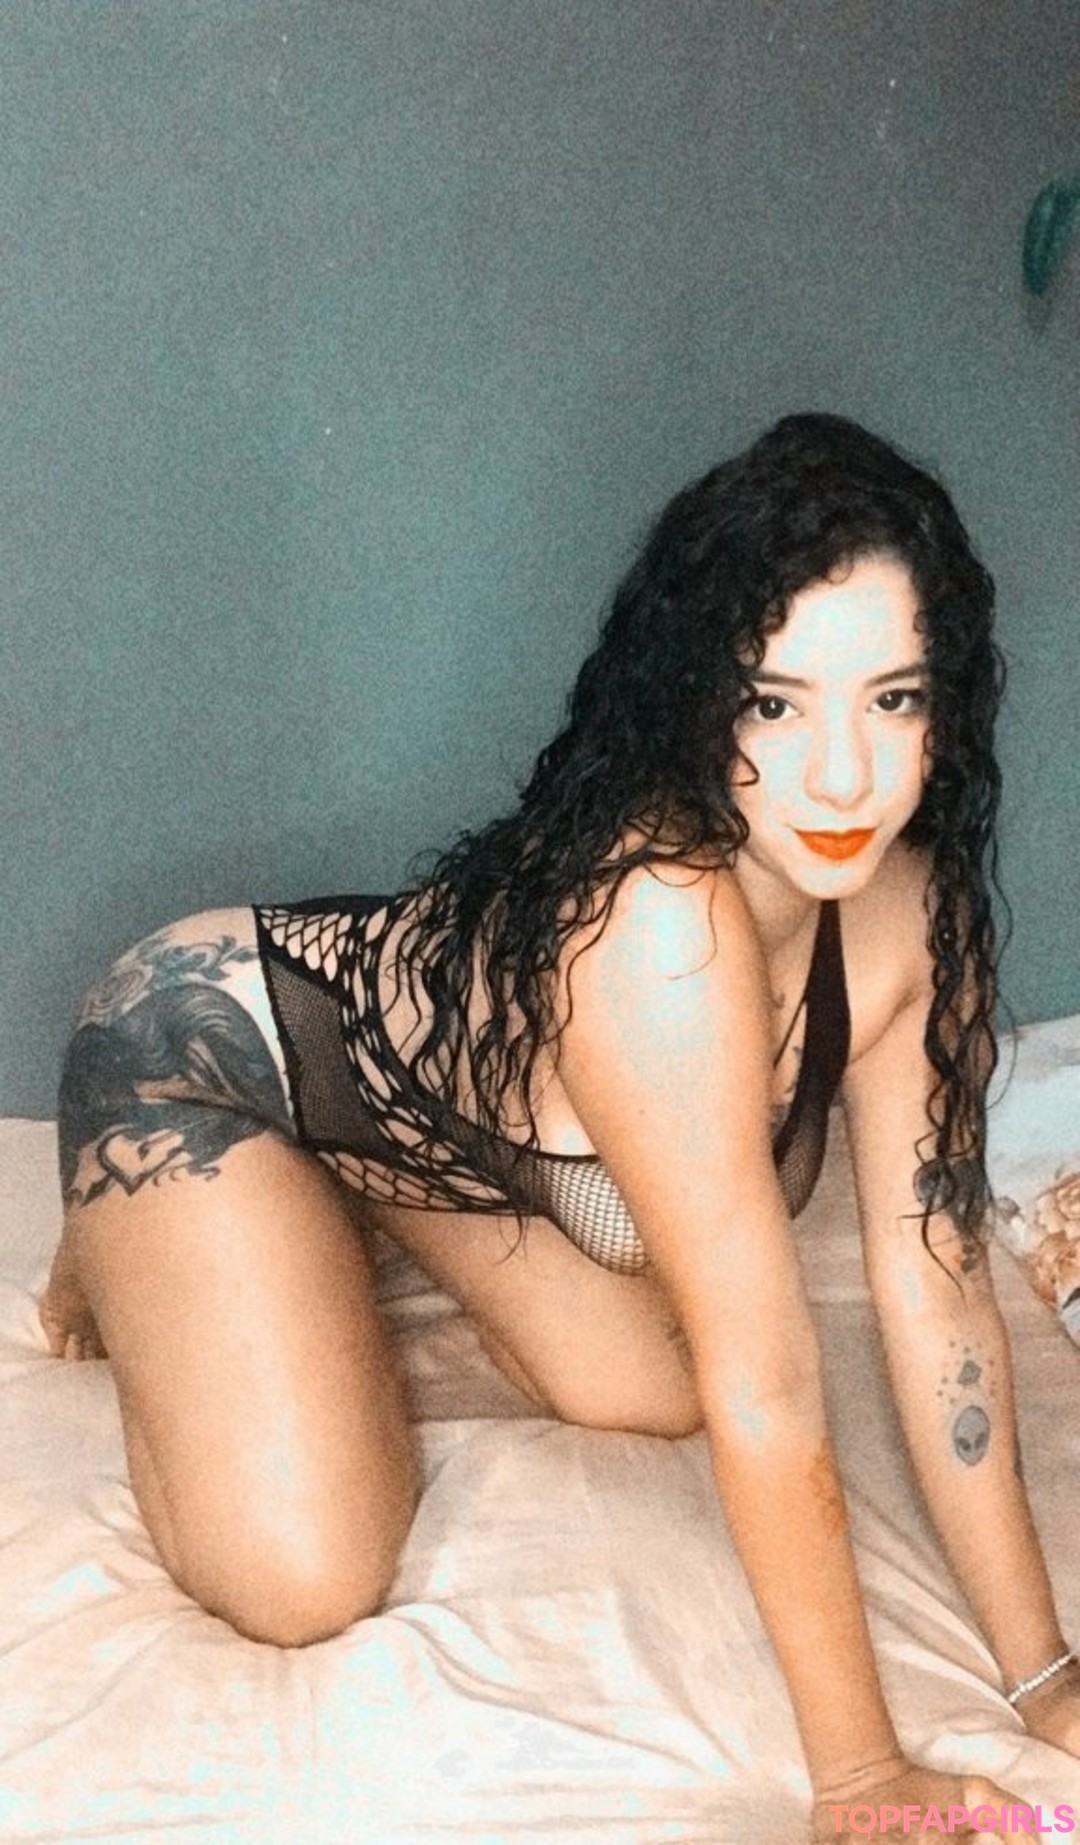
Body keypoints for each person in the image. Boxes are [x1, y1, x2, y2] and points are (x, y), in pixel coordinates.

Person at [40, 414, 1078, 1840]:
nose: (844, 777)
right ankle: (127, 1240)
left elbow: (941, 1287)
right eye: (776, 705)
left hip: (418, 1098)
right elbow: (771, 1379)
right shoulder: (657, 925)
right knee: (305, 1577)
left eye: (891, 698)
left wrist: (1044, 1674)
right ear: (697, 703)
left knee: (651, 1390)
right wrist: (858, 1777)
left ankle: (360, 1170)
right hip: (194, 1058)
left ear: (945, 704)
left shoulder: (913, 912)